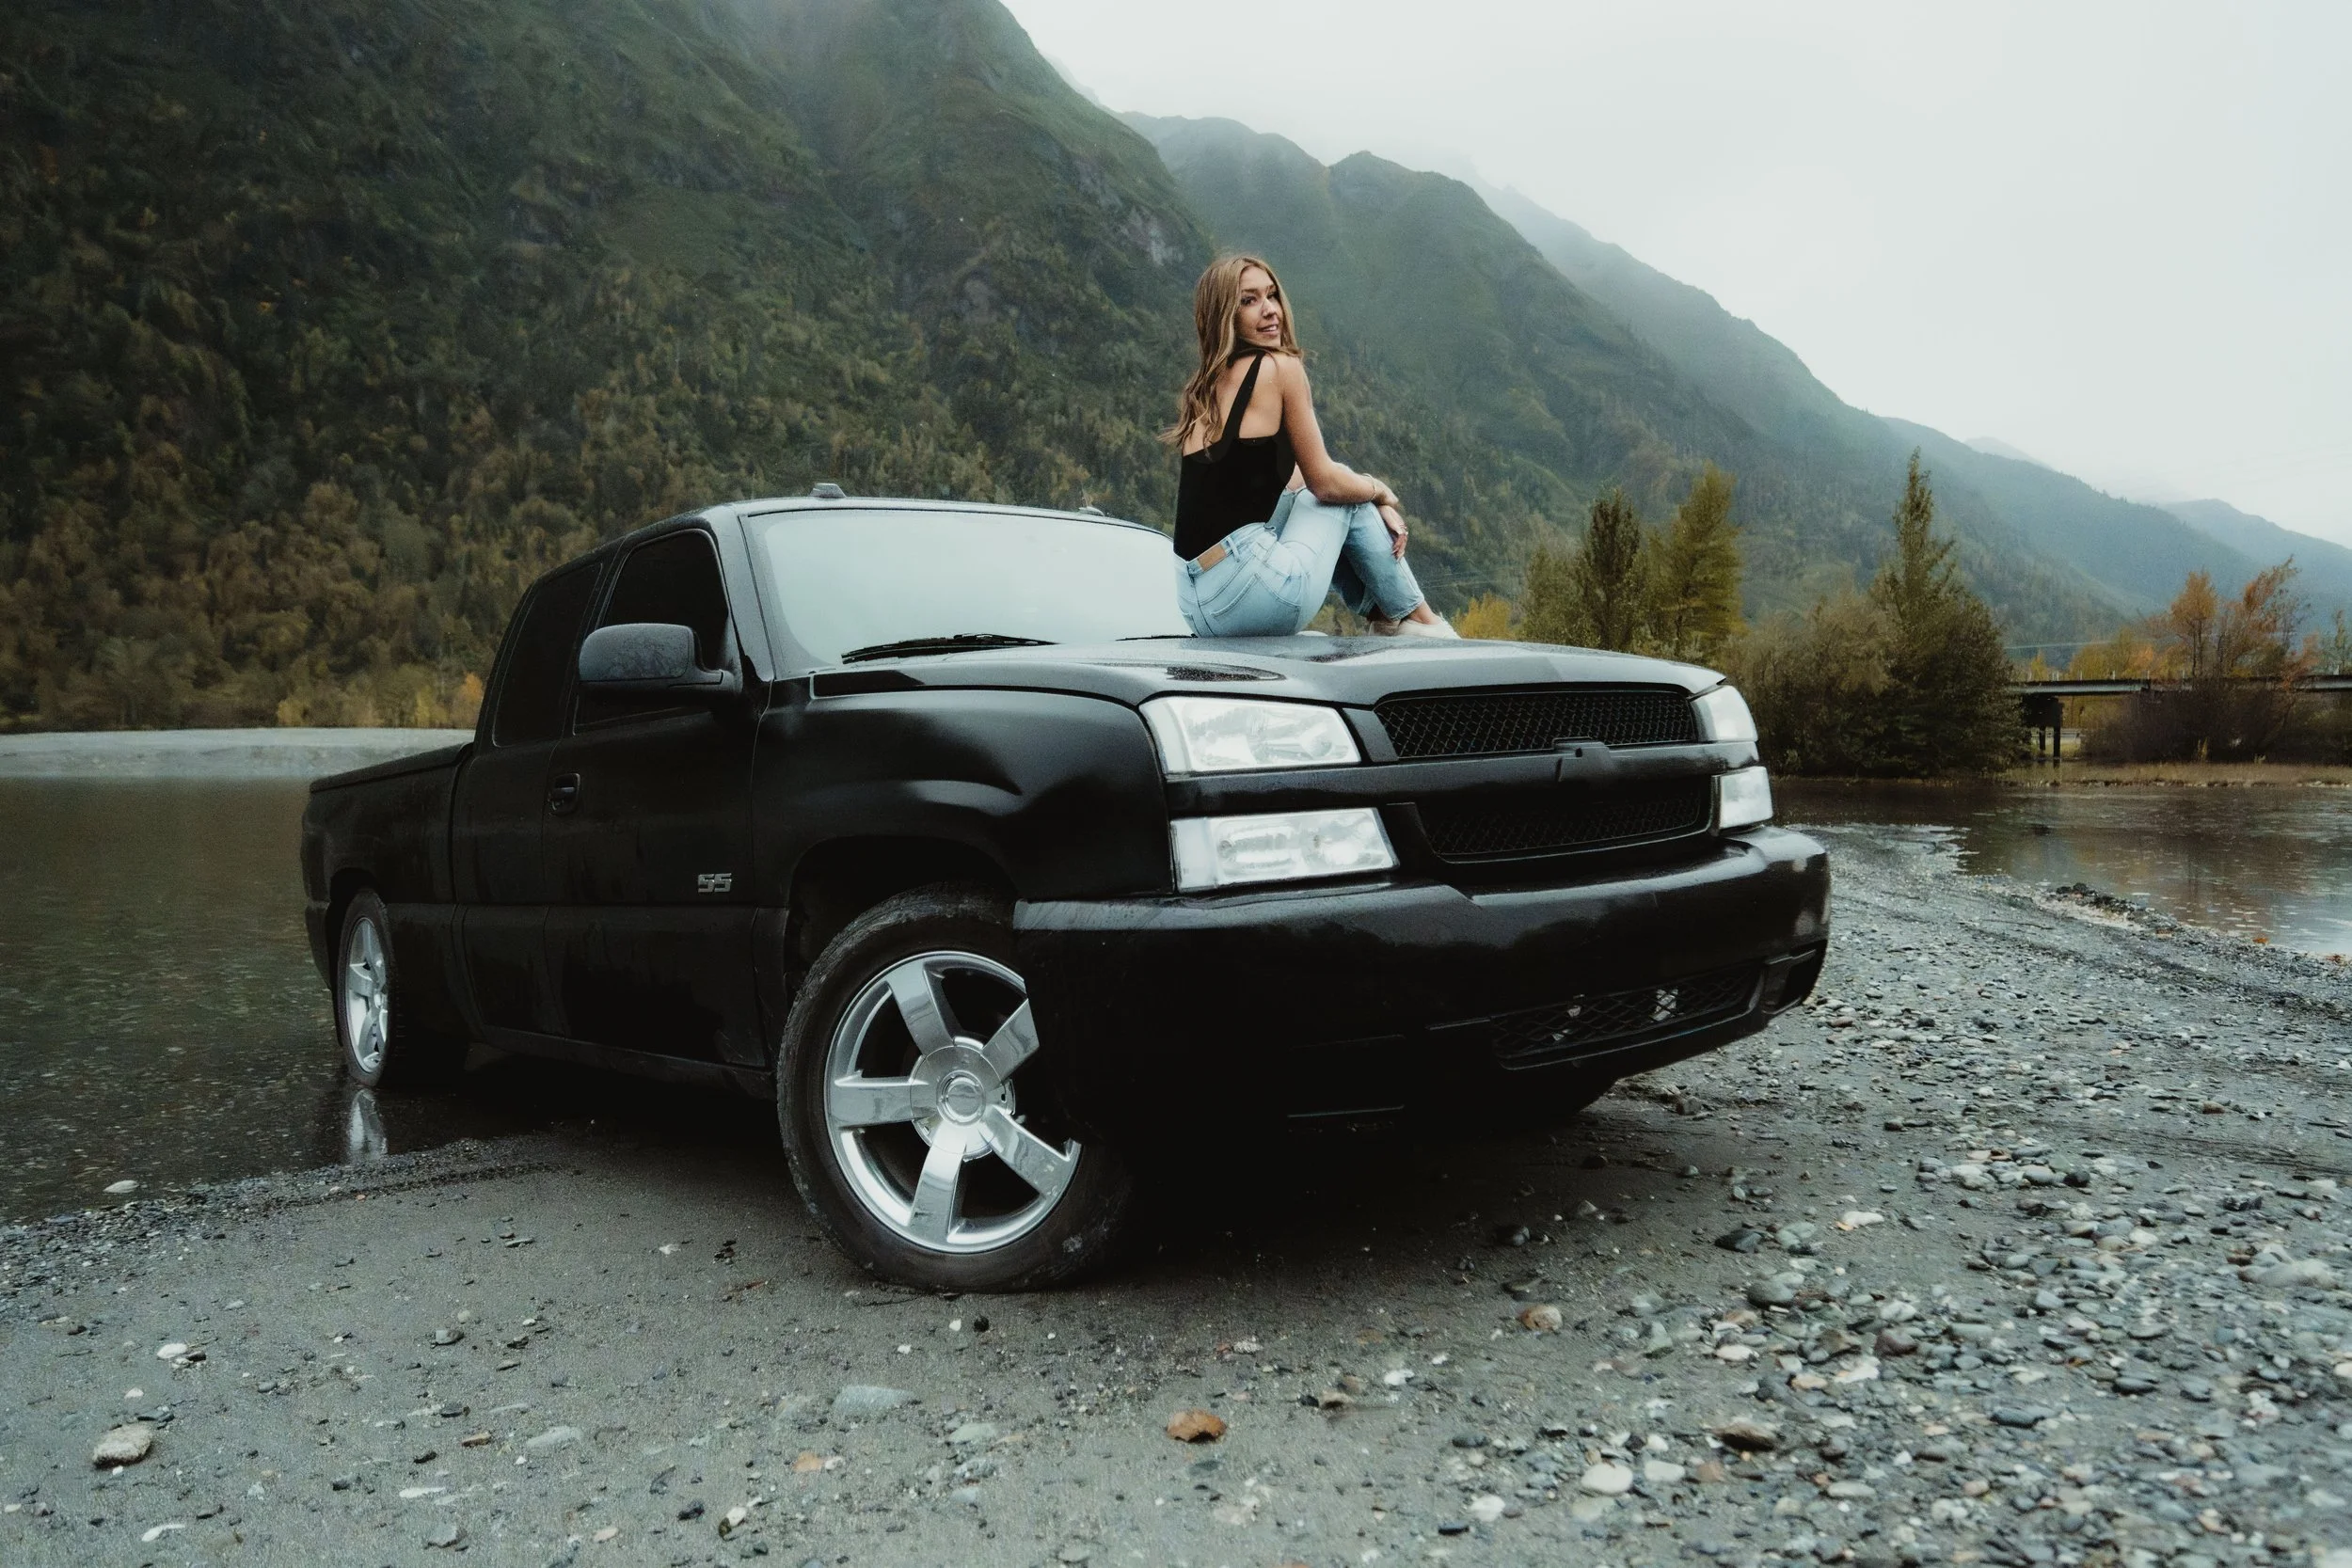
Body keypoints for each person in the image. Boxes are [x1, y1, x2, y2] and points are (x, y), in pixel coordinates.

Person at [1168, 255, 1456, 639]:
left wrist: (1361, 491)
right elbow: (1325, 484)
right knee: (1342, 495)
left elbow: (1300, 483)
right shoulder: (1279, 368)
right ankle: (1420, 622)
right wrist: (1380, 492)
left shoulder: (1203, 389)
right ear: (1224, 315)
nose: (1271, 310)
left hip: (1197, 606)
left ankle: (1387, 620)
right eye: (1249, 300)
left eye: (1271, 295)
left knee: (1336, 492)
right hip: (1255, 593)